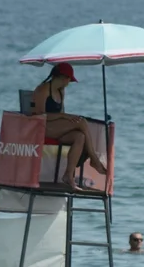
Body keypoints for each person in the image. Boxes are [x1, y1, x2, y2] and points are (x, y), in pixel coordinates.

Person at [30, 62, 108, 191]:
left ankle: (68, 175)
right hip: (41, 127)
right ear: (63, 78)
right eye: (68, 80)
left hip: (55, 128)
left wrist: (64, 117)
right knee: (81, 122)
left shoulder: (61, 92)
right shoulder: (43, 89)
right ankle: (94, 159)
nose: (68, 83)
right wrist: (65, 117)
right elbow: (39, 116)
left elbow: (60, 115)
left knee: (79, 136)